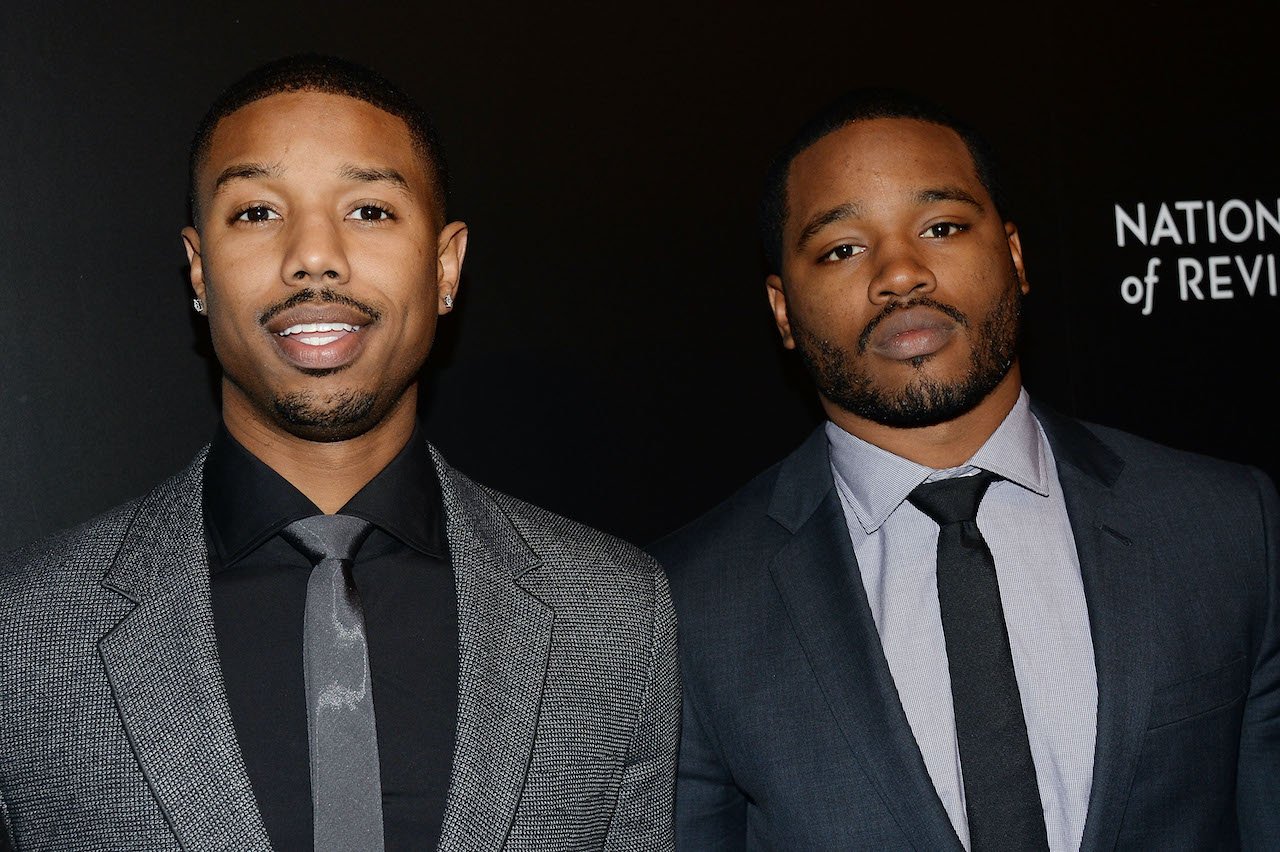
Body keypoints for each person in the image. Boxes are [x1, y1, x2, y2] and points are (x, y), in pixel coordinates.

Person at [0, 54, 677, 851]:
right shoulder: (26, 633)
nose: (313, 257)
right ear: (198, 271)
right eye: (256, 212)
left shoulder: (616, 617)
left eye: (369, 211)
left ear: (446, 264)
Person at [648, 88, 1279, 851]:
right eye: (843, 248)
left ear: (1013, 254)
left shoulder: (1226, 527)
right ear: (782, 311)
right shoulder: (687, 605)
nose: (902, 274)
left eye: (942, 227)